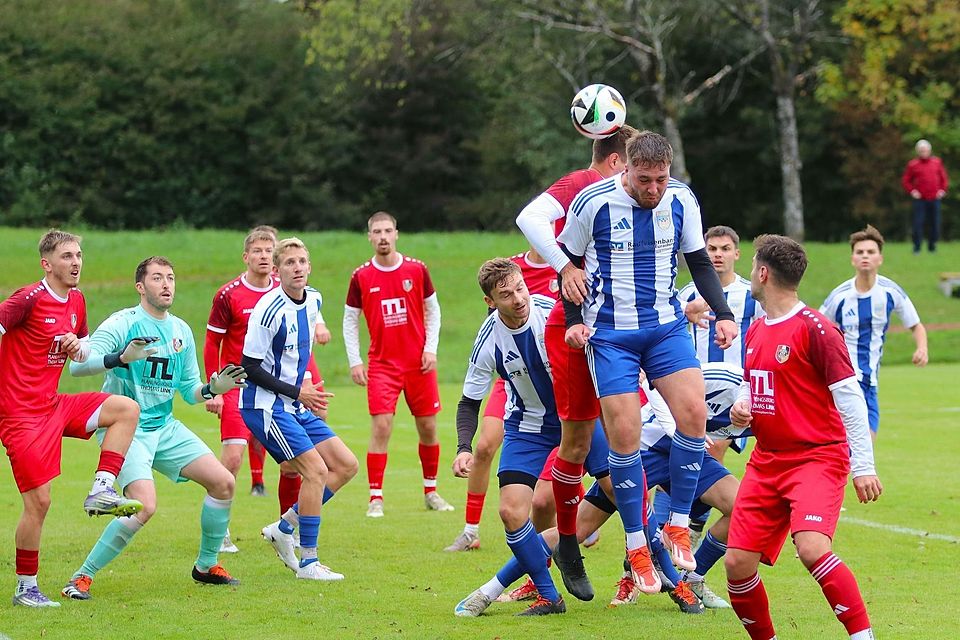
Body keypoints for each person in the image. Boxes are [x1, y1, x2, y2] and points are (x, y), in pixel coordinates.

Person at [556, 131, 738, 590]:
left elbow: (697, 261)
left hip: (665, 327)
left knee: (694, 414)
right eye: (644, 180)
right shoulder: (592, 202)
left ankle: (677, 524)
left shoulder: (682, 200)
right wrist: (575, 320)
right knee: (625, 436)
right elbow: (570, 267)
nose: (653, 188)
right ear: (625, 170)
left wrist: (723, 312)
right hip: (611, 335)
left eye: (661, 179)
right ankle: (637, 543)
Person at [725, 234, 883, 640]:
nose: (750, 276)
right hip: (766, 461)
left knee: (812, 548)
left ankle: (863, 637)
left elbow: (850, 400)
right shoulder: (757, 328)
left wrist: (863, 467)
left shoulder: (817, 329)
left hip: (816, 458)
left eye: (752, 267)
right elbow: (752, 383)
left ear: (763, 273)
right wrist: (742, 408)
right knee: (737, 563)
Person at [62, 256, 248, 599]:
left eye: (171, 278)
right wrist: (120, 358)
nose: (167, 284)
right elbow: (78, 367)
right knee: (145, 506)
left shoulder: (180, 331)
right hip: (127, 428)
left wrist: (213, 389)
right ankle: (80, 577)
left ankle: (206, 566)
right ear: (140, 287)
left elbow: (191, 392)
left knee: (224, 482)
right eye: (158, 278)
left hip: (165, 427)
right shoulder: (122, 324)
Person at [514, 125, 636, 595]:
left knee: (626, 454)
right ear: (613, 163)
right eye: (632, 169)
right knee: (582, 450)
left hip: (621, 333)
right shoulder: (585, 183)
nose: (640, 182)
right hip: (574, 334)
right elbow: (530, 217)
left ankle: (646, 558)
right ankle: (568, 544)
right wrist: (563, 266)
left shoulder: (635, 202)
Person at [0, 229, 142, 608]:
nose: (76, 262)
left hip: (53, 404)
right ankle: (25, 587)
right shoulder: (27, 299)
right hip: (20, 415)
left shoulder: (77, 300)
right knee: (40, 503)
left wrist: (78, 347)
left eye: (78, 255)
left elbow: (81, 355)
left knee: (125, 409)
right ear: (47, 264)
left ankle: (102, 488)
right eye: (67, 256)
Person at [204, 225, 329, 552]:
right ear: (248, 257)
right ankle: (221, 530)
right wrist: (214, 387)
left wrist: (310, 382)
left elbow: (300, 345)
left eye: (267, 249)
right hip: (240, 387)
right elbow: (212, 343)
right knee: (232, 459)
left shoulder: (300, 293)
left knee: (293, 467)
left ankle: (285, 526)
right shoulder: (230, 294)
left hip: (284, 393)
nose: (263, 255)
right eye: (257, 251)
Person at [453, 258, 566, 616]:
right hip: (528, 427)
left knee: (617, 495)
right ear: (490, 302)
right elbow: (469, 403)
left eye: (520, 288)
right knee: (511, 511)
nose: (518, 298)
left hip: (575, 422)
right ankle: (549, 596)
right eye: (506, 294)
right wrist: (463, 448)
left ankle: (677, 578)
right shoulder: (488, 340)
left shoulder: (552, 313)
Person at [244, 238, 358, 581]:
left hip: (295, 403)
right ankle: (309, 562)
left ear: (309, 267)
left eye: (302, 261)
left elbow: (309, 326)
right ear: (277, 271)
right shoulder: (268, 309)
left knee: (346, 465)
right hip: (265, 406)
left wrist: (302, 391)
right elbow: (249, 367)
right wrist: (299, 391)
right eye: (289, 262)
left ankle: (284, 527)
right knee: (316, 471)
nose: (297, 267)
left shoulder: (315, 299)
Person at [656, 225, 764, 542]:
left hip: (734, 395)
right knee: (687, 460)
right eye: (712, 249)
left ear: (736, 253)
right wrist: (683, 315)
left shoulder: (750, 295)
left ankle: (680, 530)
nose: (718, 254)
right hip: (691, 390)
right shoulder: (687, 295)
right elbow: (662, 330)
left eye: (724, 248)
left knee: (708, 454)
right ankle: (677, 529)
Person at [343, 211, 451, 517]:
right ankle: (375, 497)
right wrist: (355, 361)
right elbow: (350, 320)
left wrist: (430, 349)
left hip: (418, 363)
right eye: (376, 232)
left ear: (396, 233)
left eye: (387, 230)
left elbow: (434, 310)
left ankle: (431, 491)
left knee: (428, 427)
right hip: (383, 365)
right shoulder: (361, 276)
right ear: (369, 237)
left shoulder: (417, 269)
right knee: (381, 426)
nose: (382, 237)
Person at [820, 224, 927, 441]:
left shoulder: (890, 292)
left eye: (870, 252)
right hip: (843, 380)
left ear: (880, 258)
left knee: (861, 450)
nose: (865, 256)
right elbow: (816, 330)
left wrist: (922, 348)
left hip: (870, 382)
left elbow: (916, 325)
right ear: (853, 259)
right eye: (860, 252)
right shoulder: (839, 296)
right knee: (856, 449)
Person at [901, 139, 948, 254]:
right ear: (918, 151)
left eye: (925, 150)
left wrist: (942, 190)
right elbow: (906, 181)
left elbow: (944, 179)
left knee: (935, 223)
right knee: (918, 223)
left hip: (934, 198)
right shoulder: (913, 165)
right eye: (921, 151)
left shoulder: (937, 162)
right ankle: (917, 247)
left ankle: (932, 246)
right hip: (920, 199)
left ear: (930, 150)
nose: (924, 153)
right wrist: (912, 191)